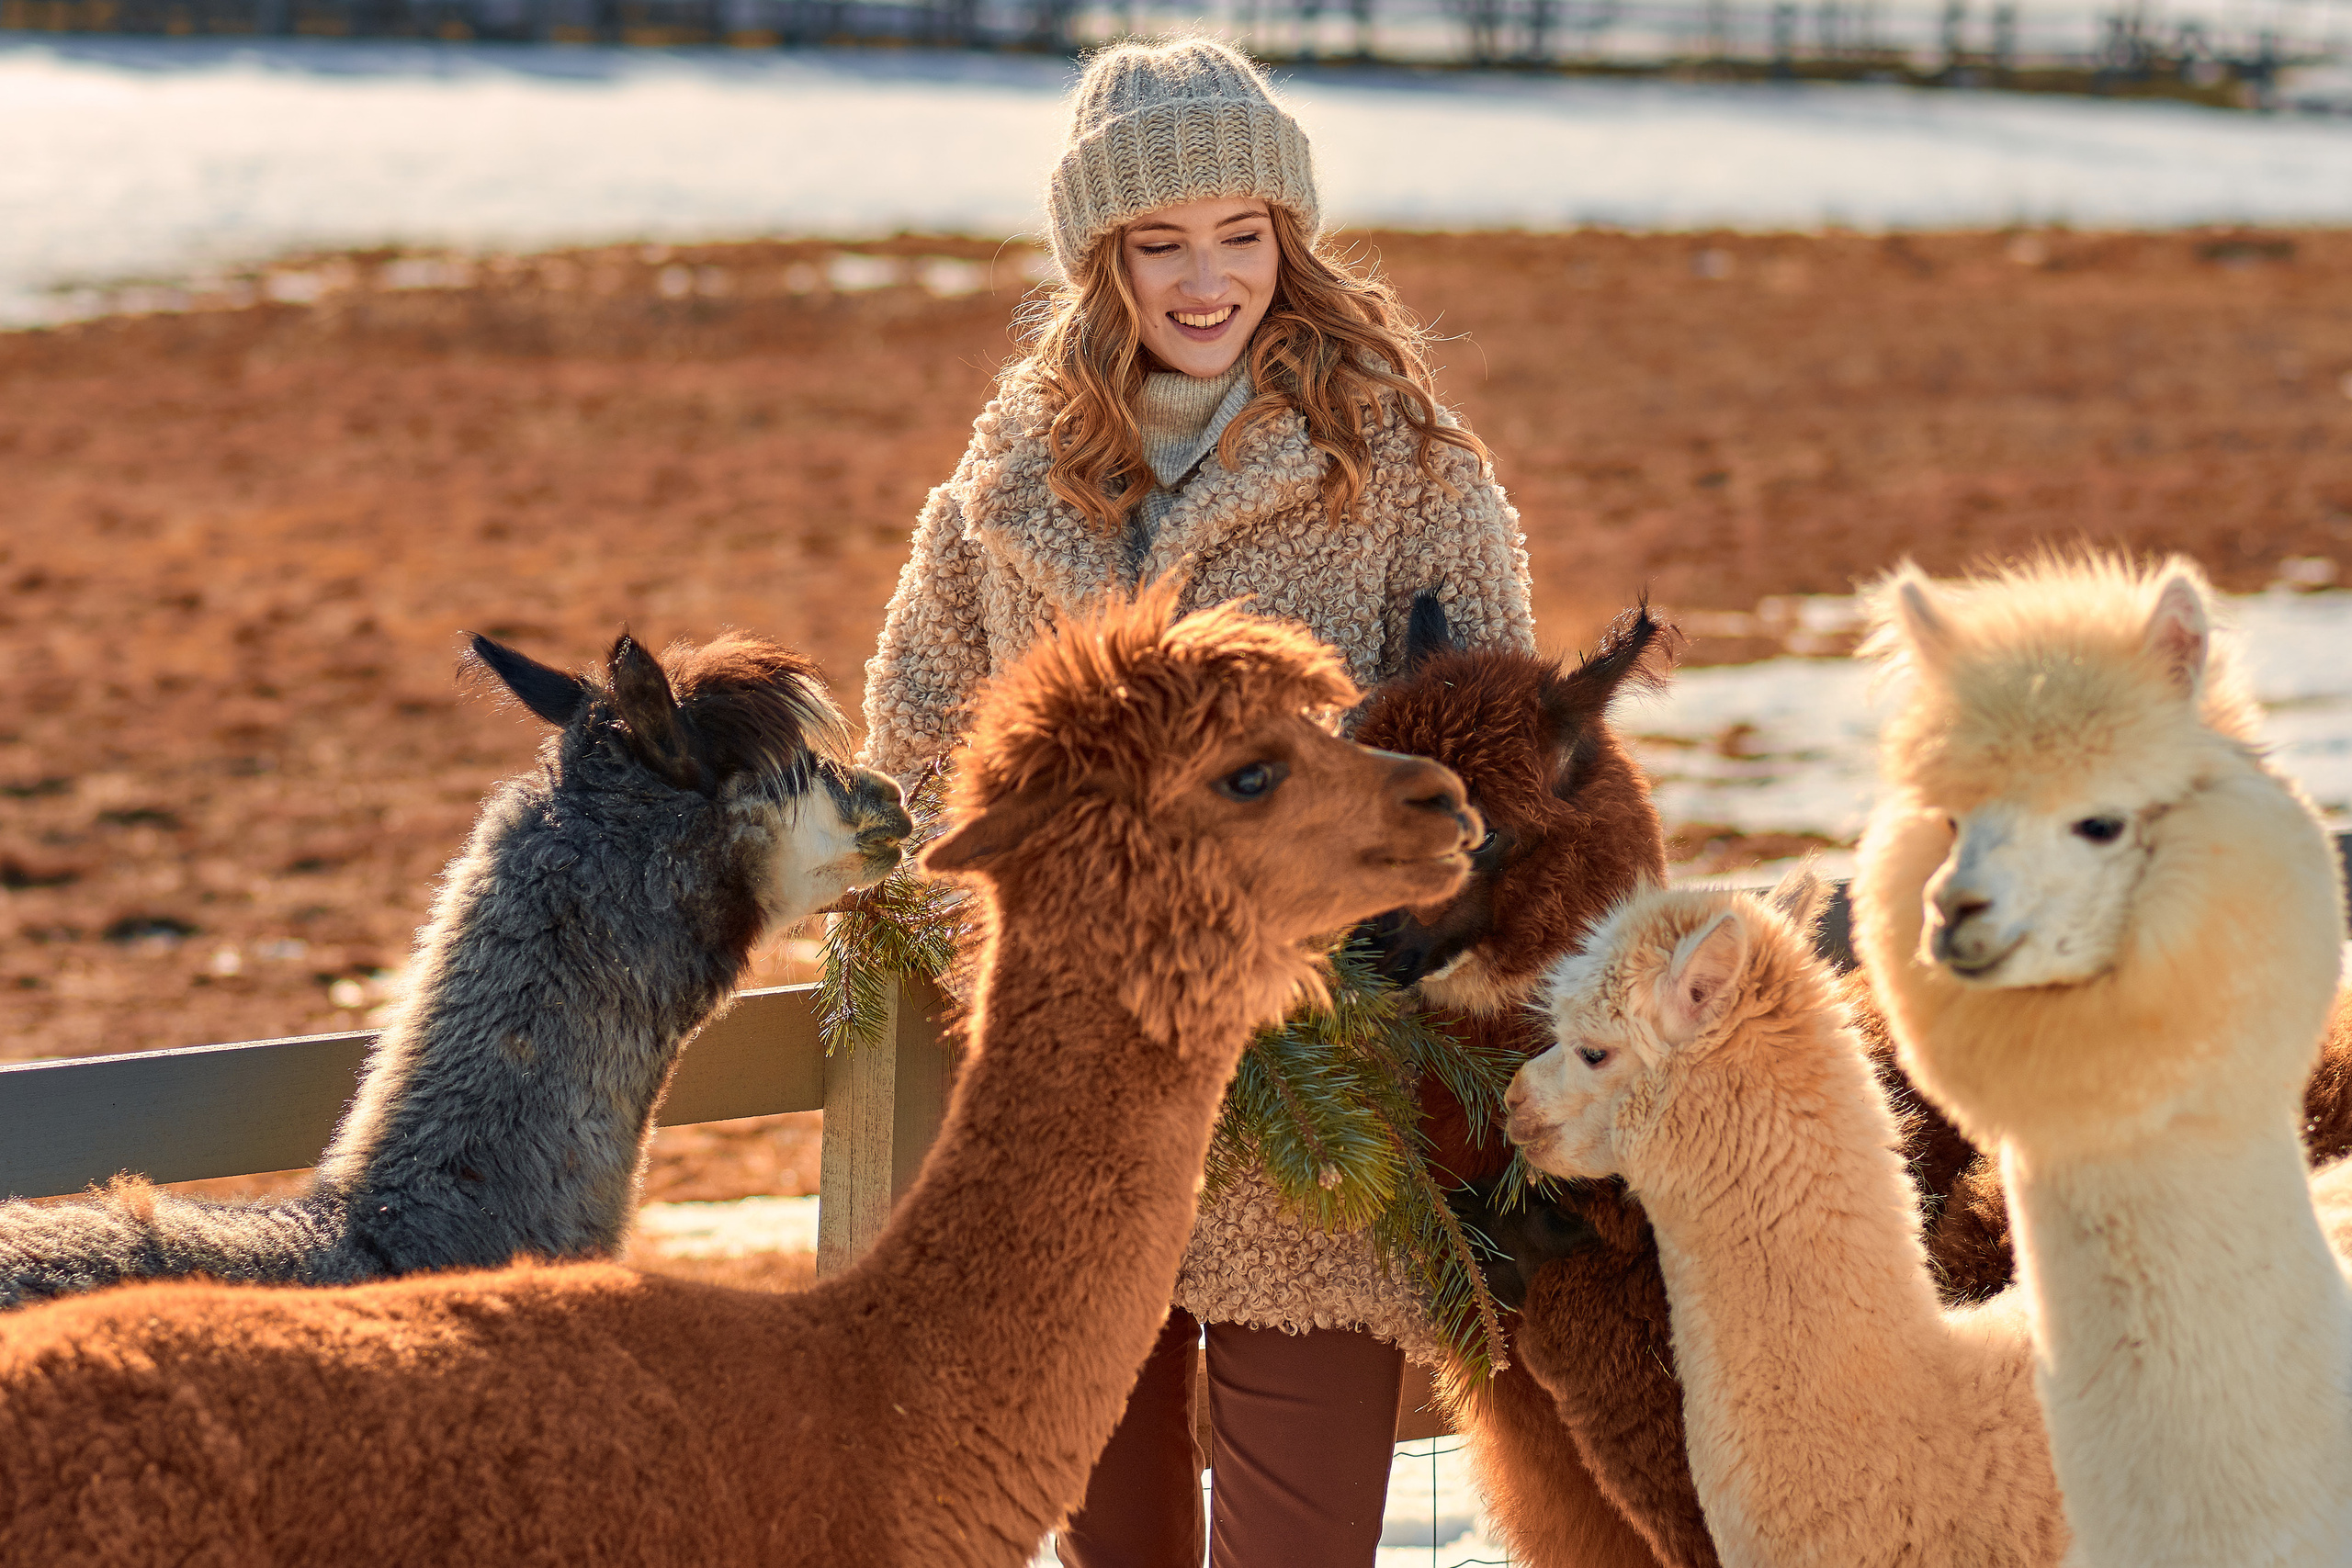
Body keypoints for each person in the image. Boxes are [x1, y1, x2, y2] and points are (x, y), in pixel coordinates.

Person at [859, 36, 1535, 1568]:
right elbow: (915, 748)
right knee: (1112, 1540)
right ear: (1105, 260)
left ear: (1289, 242)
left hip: (1320, 1106)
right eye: (1161, 243)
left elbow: (1495, 756)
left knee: (1300, 1542)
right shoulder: (999, 487)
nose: (1207, 279)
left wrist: (1340, 897)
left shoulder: (1408, 469)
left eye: (1243, 235)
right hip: (1080, 1122)